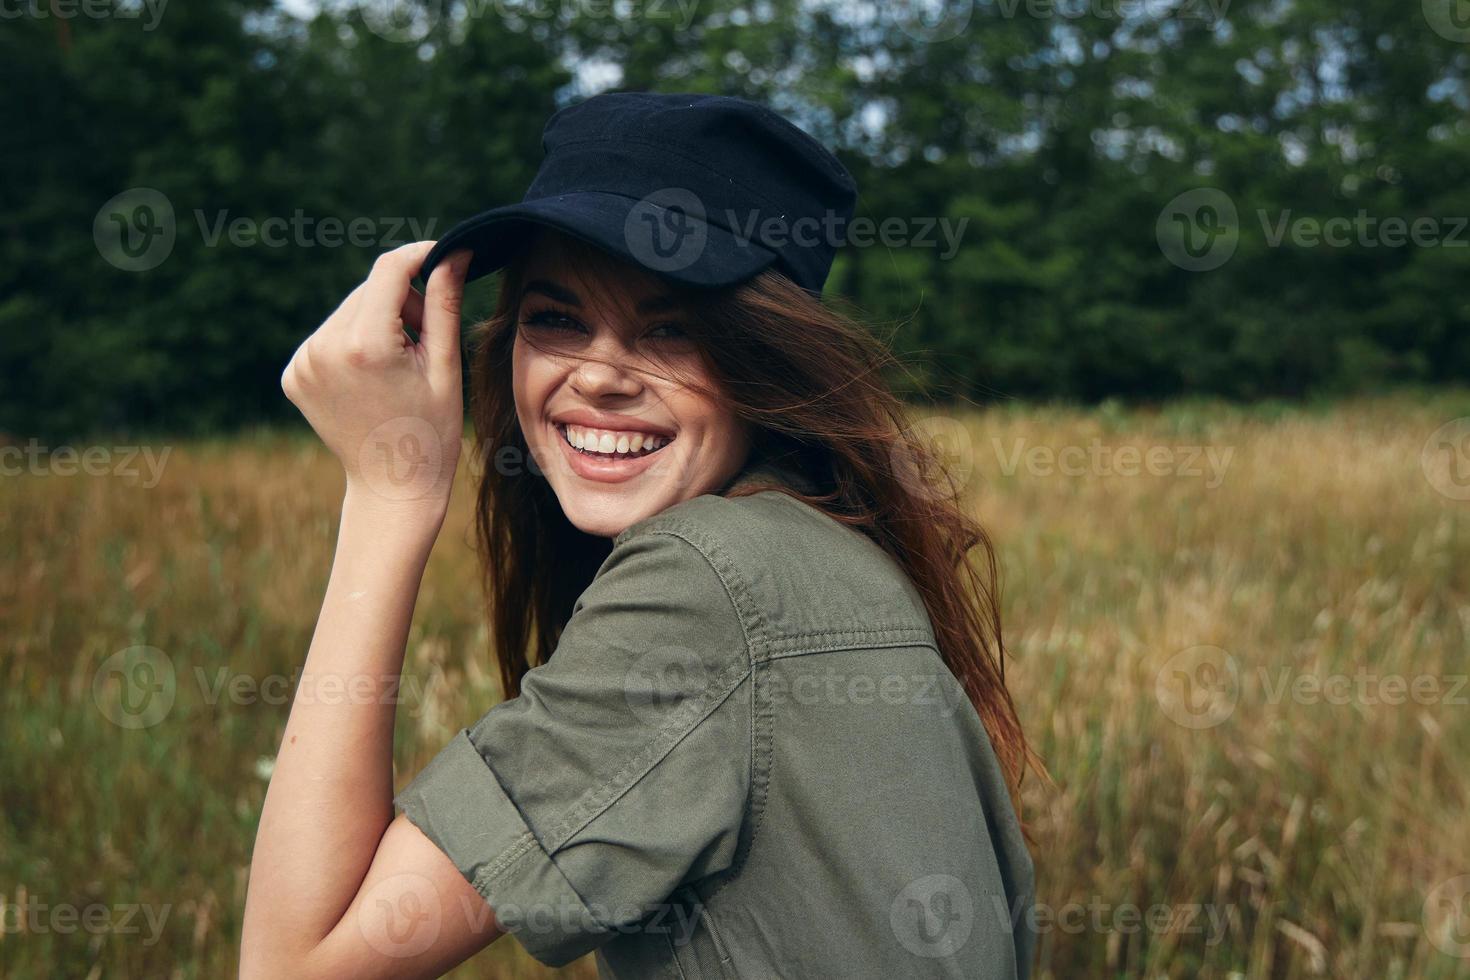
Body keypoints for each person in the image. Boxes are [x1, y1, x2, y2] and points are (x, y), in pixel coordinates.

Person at [241, 91, 1038, 979]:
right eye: (556, 318)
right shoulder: (823, 547)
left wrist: (388, 494)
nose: (599, 376)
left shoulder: (709, 584)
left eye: (671, 329)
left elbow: (290, 965)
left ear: (763, 360)